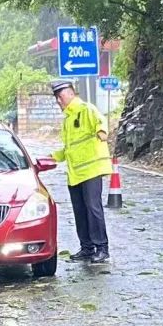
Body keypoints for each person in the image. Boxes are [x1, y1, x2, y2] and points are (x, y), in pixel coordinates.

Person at [49, 79, 112, 263]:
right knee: (80, 210)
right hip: (75, 173)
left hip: (92, 169)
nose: (59, 102)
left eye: (60, 97)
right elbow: (70, 148)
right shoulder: (68, 119)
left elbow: (101, 121)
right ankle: (86, 248)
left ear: (70, 94)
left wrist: (102, 131)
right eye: (57, 99)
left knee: (93, 208)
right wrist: (52, 157)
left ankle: (102, 248)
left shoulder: (86, 109)